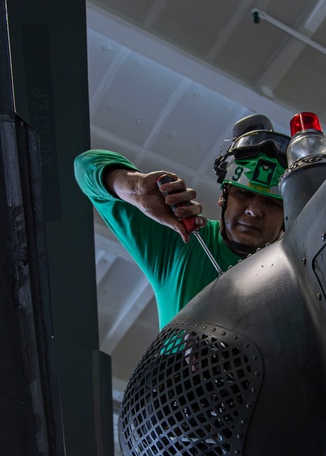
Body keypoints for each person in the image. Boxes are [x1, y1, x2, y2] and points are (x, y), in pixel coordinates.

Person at [74, 114, 289, 328]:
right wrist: (134, 187)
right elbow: (85, 165)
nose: (254, 210)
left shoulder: (296, 272)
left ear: (287, 216)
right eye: (243, 194)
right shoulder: (181, 240)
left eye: (272, 204)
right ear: (223, 196)